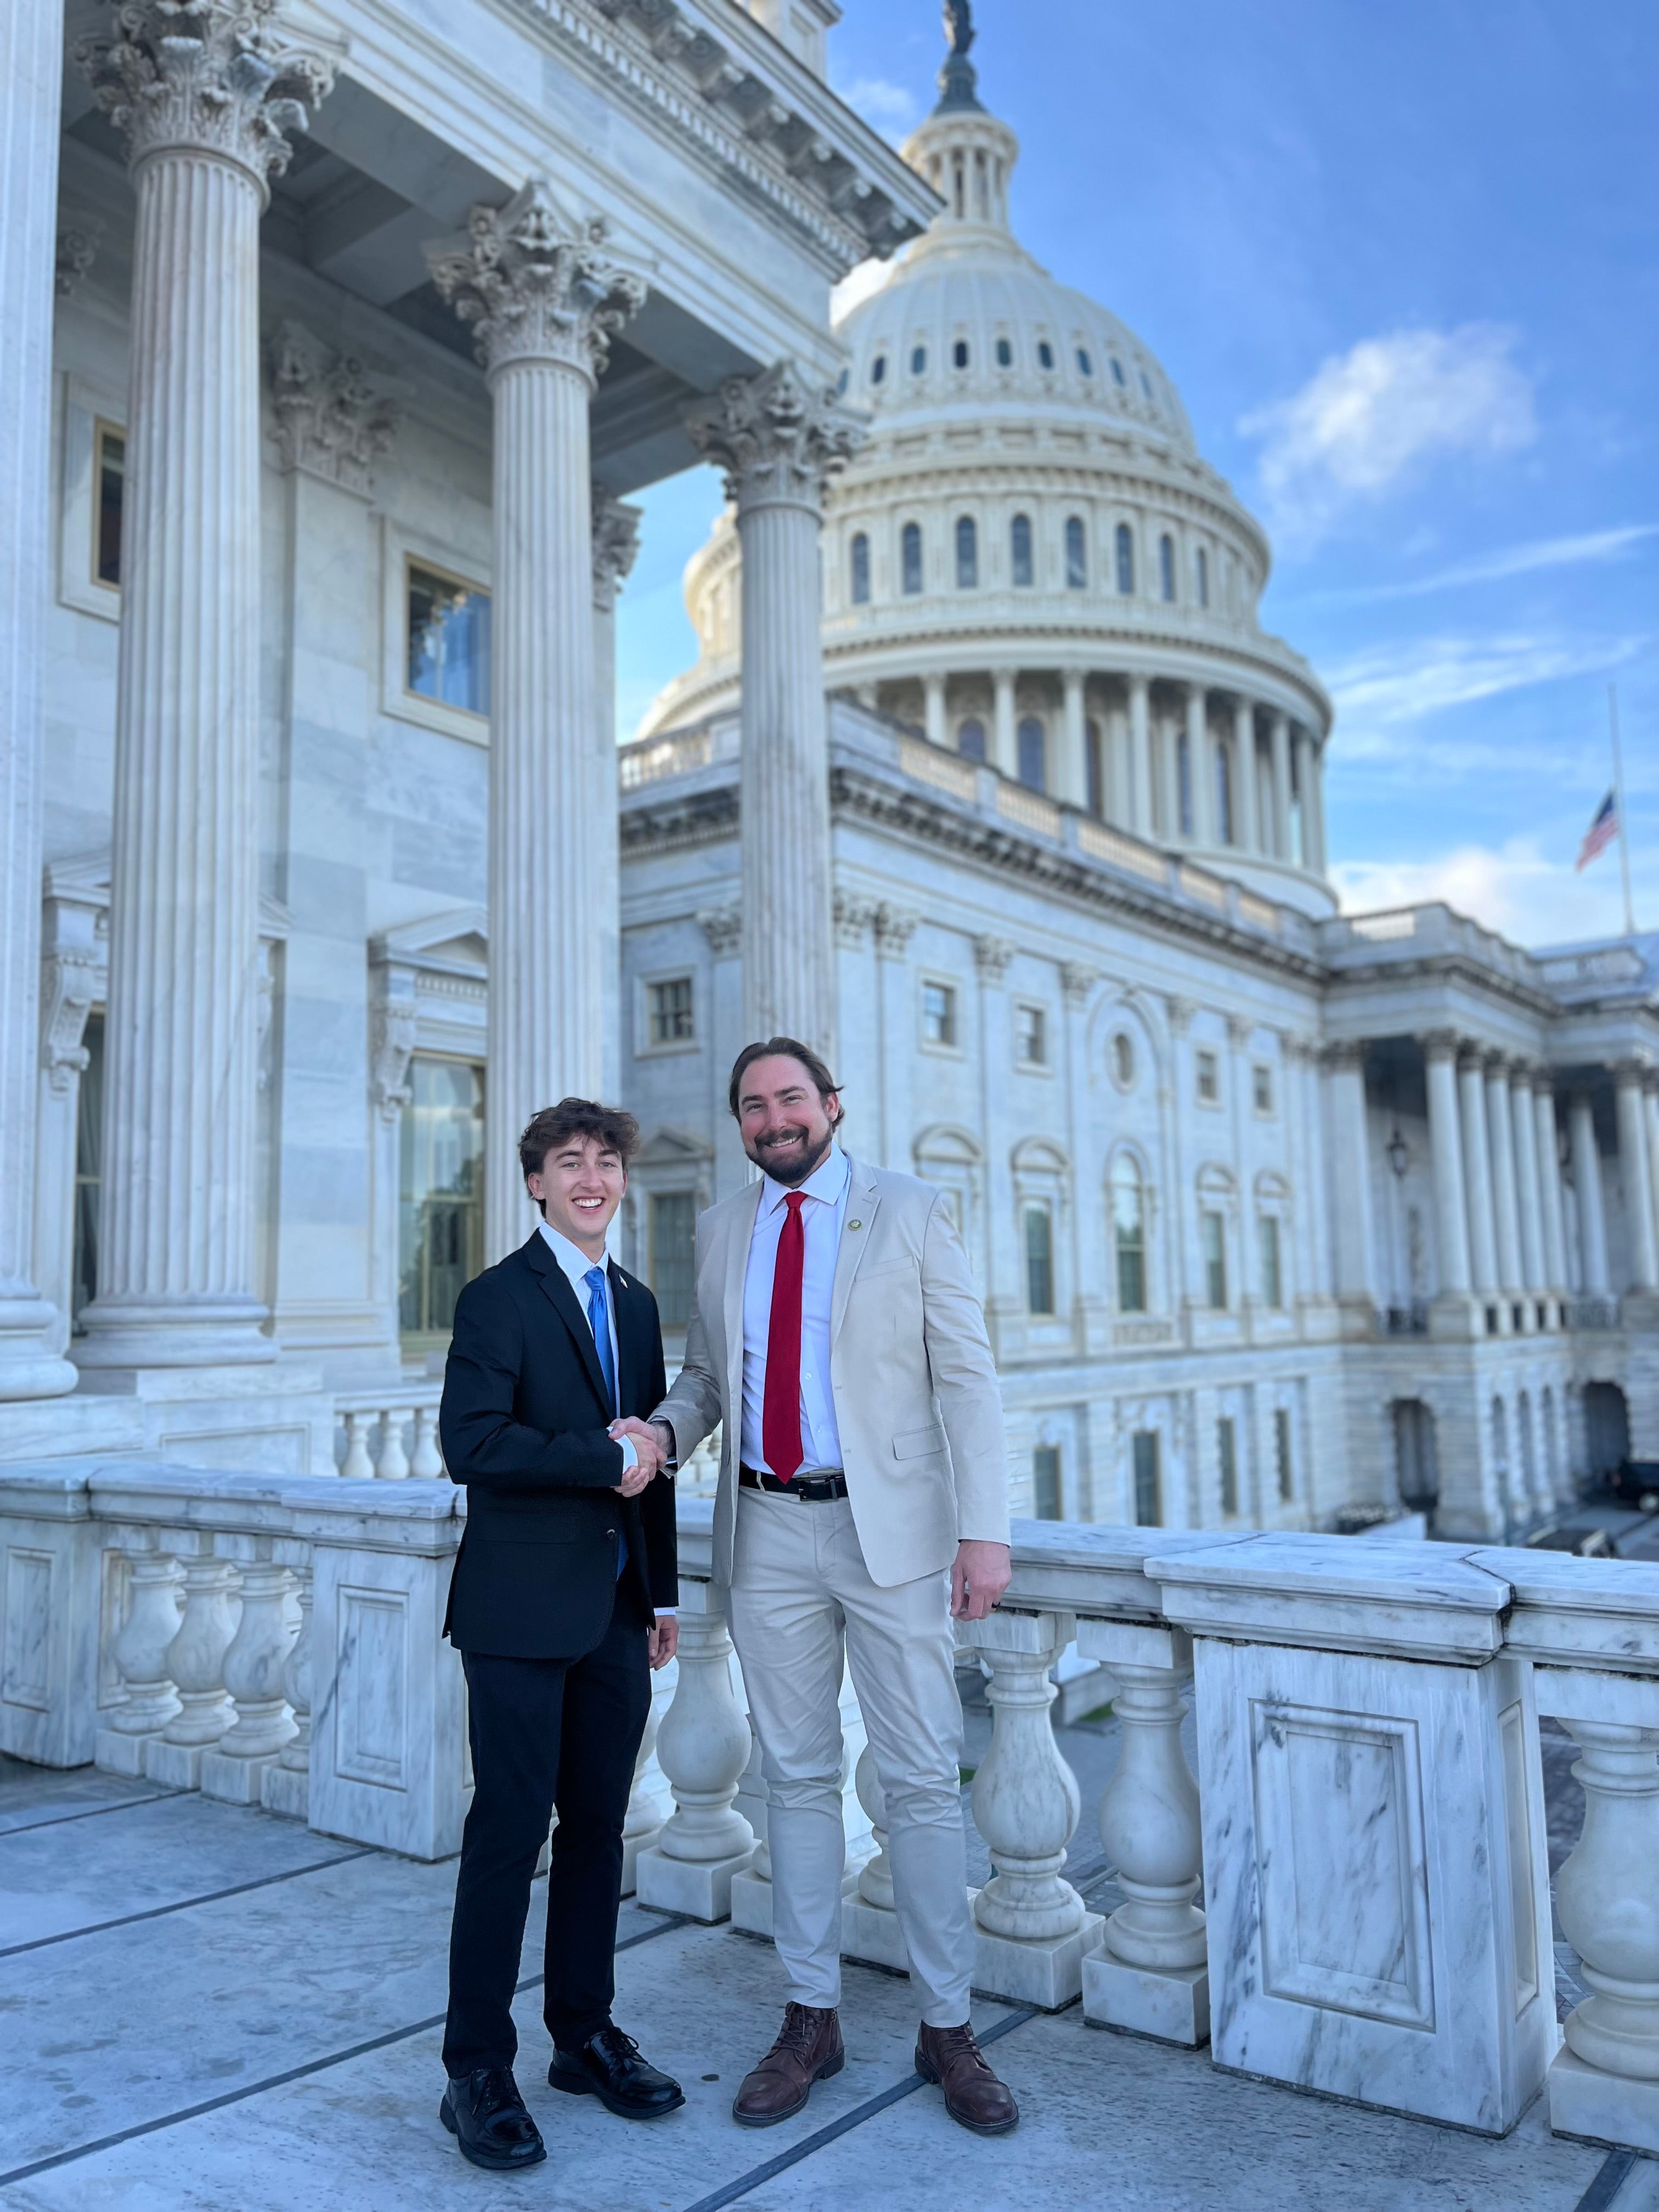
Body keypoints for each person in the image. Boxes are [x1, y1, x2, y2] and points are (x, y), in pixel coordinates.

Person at [620, 1038, 1020, 2137]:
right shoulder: (719, 1227)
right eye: (753, 1105)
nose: (773, 1118)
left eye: (791, 1098)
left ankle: (949, 2028)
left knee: (922, 1780)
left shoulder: (912, 1210)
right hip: (765, 1529)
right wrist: (662, 1430)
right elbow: (708, 1377)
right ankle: (812, 2017)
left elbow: (969, 1380)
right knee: (794, 1777)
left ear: (832, 1106)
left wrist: (985, 1534)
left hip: (889, 1531)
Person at [437, 1098, 682, 2172]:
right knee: (508, 1834)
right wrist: (599, 1454)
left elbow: (654, 1457)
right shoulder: (498, 1299)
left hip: (618, 1613)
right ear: (535, 1182)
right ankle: (475, 2068)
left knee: (597, 1832)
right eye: (569, 1163)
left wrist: (663, 1594)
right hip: (519, 1615)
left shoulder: (634, 1301)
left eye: (607, 1162)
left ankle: (582, 2035)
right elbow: (473, 1443)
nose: (592, 1179)